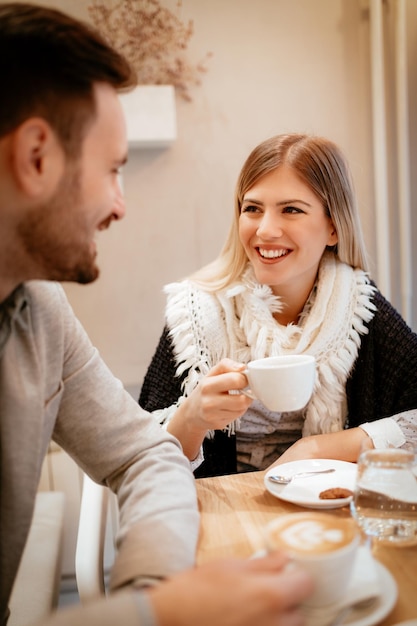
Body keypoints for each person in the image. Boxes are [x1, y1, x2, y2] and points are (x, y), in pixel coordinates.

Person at [0, 4, 313, 626]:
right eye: (113, 169)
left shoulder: (39, 308)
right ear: (36, 156)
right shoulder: (192, 312)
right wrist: (155, 613)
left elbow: (142, 454)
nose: (121, 204)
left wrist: (155, 589)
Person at [139, 133, 417, 478]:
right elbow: (142, 460)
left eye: (291, 210)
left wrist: (314, 450)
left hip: (320, 516)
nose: (266, 230)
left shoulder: (359, 307)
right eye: (252, 208)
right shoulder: (196, 313)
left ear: (333, 227)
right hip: (222, 514)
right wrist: (191, 419)